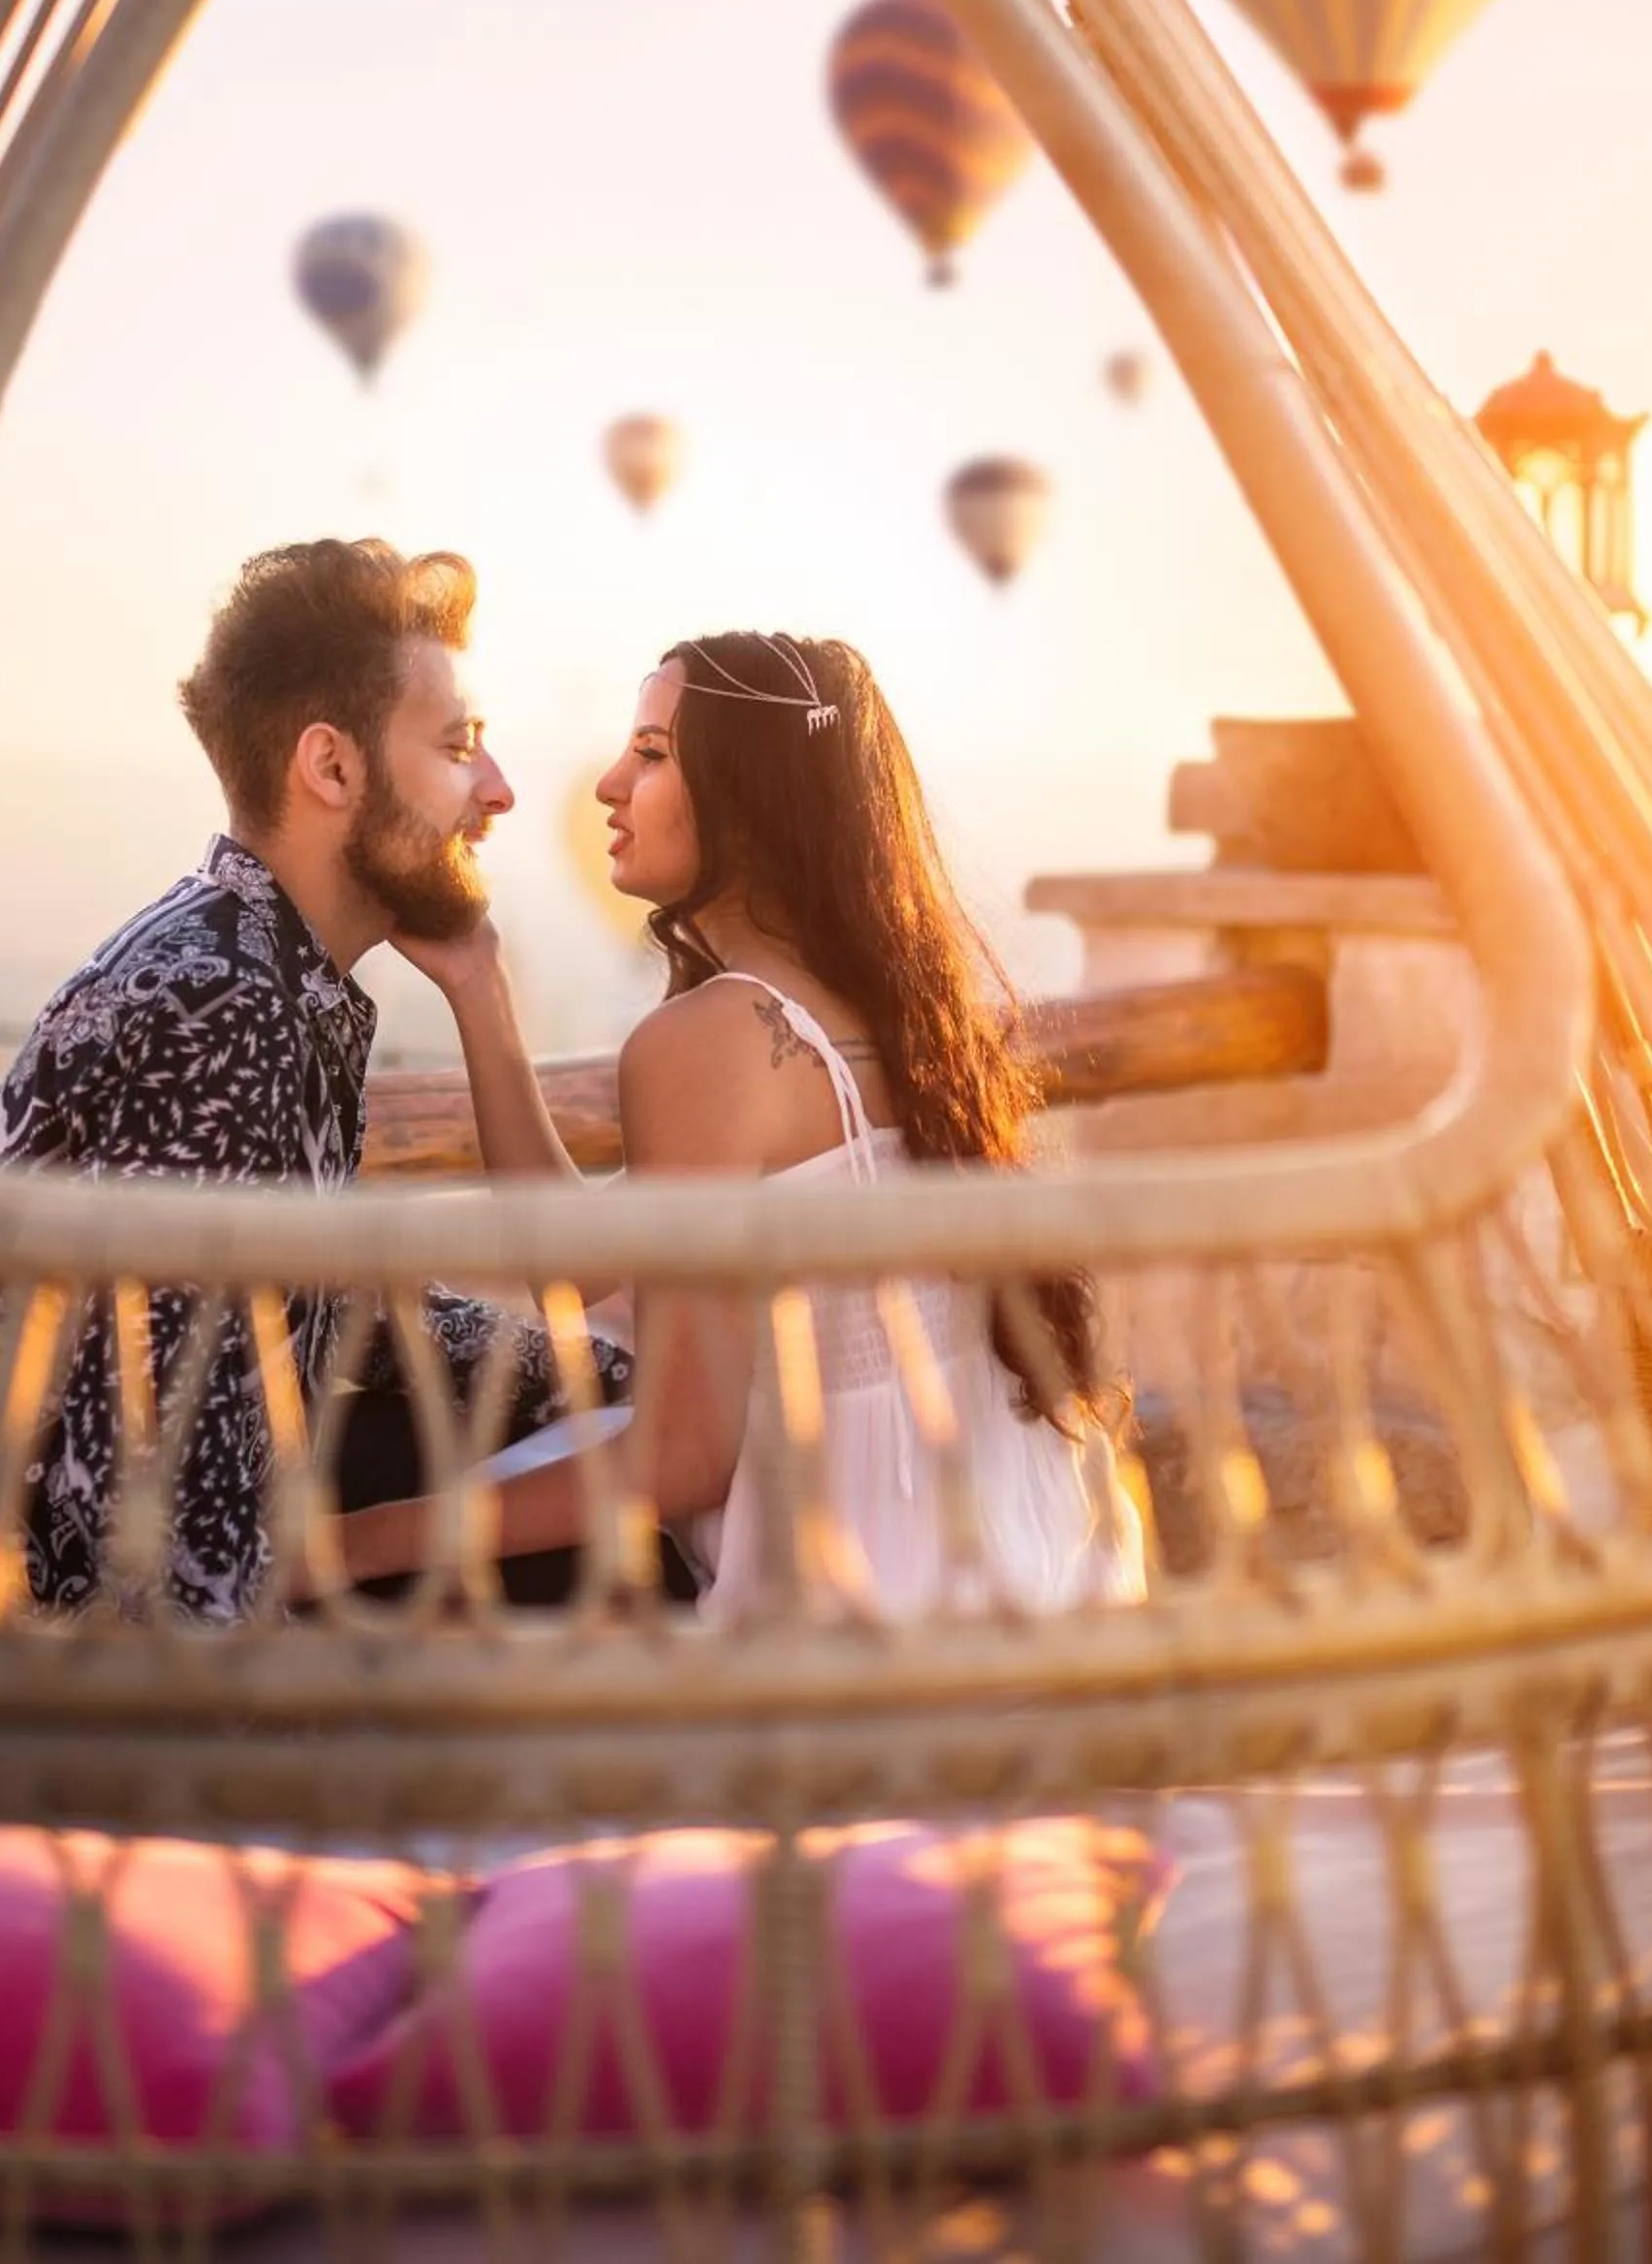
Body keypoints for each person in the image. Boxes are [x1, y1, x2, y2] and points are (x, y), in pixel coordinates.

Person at [0, 537, 643, 1623]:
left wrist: (599, 1378)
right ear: (330, 768)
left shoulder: (263, 967)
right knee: (614, 1549)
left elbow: (319, 1304)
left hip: (101, 1595)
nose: (499, 790)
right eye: (459, 746)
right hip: (43, 1679)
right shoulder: (223, 1012)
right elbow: (151, 1487)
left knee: (605, 1448)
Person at [325, 630, 1145, 1618]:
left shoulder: (710, 1040)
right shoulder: (901, 1018)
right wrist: (479, 990)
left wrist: (336, 1546)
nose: (609, 785)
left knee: (374, 1482)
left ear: (749, 800)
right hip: (1019, 1569)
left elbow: (681, 1462)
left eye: (654, 754)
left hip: (857, 1609)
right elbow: (582, 1267)